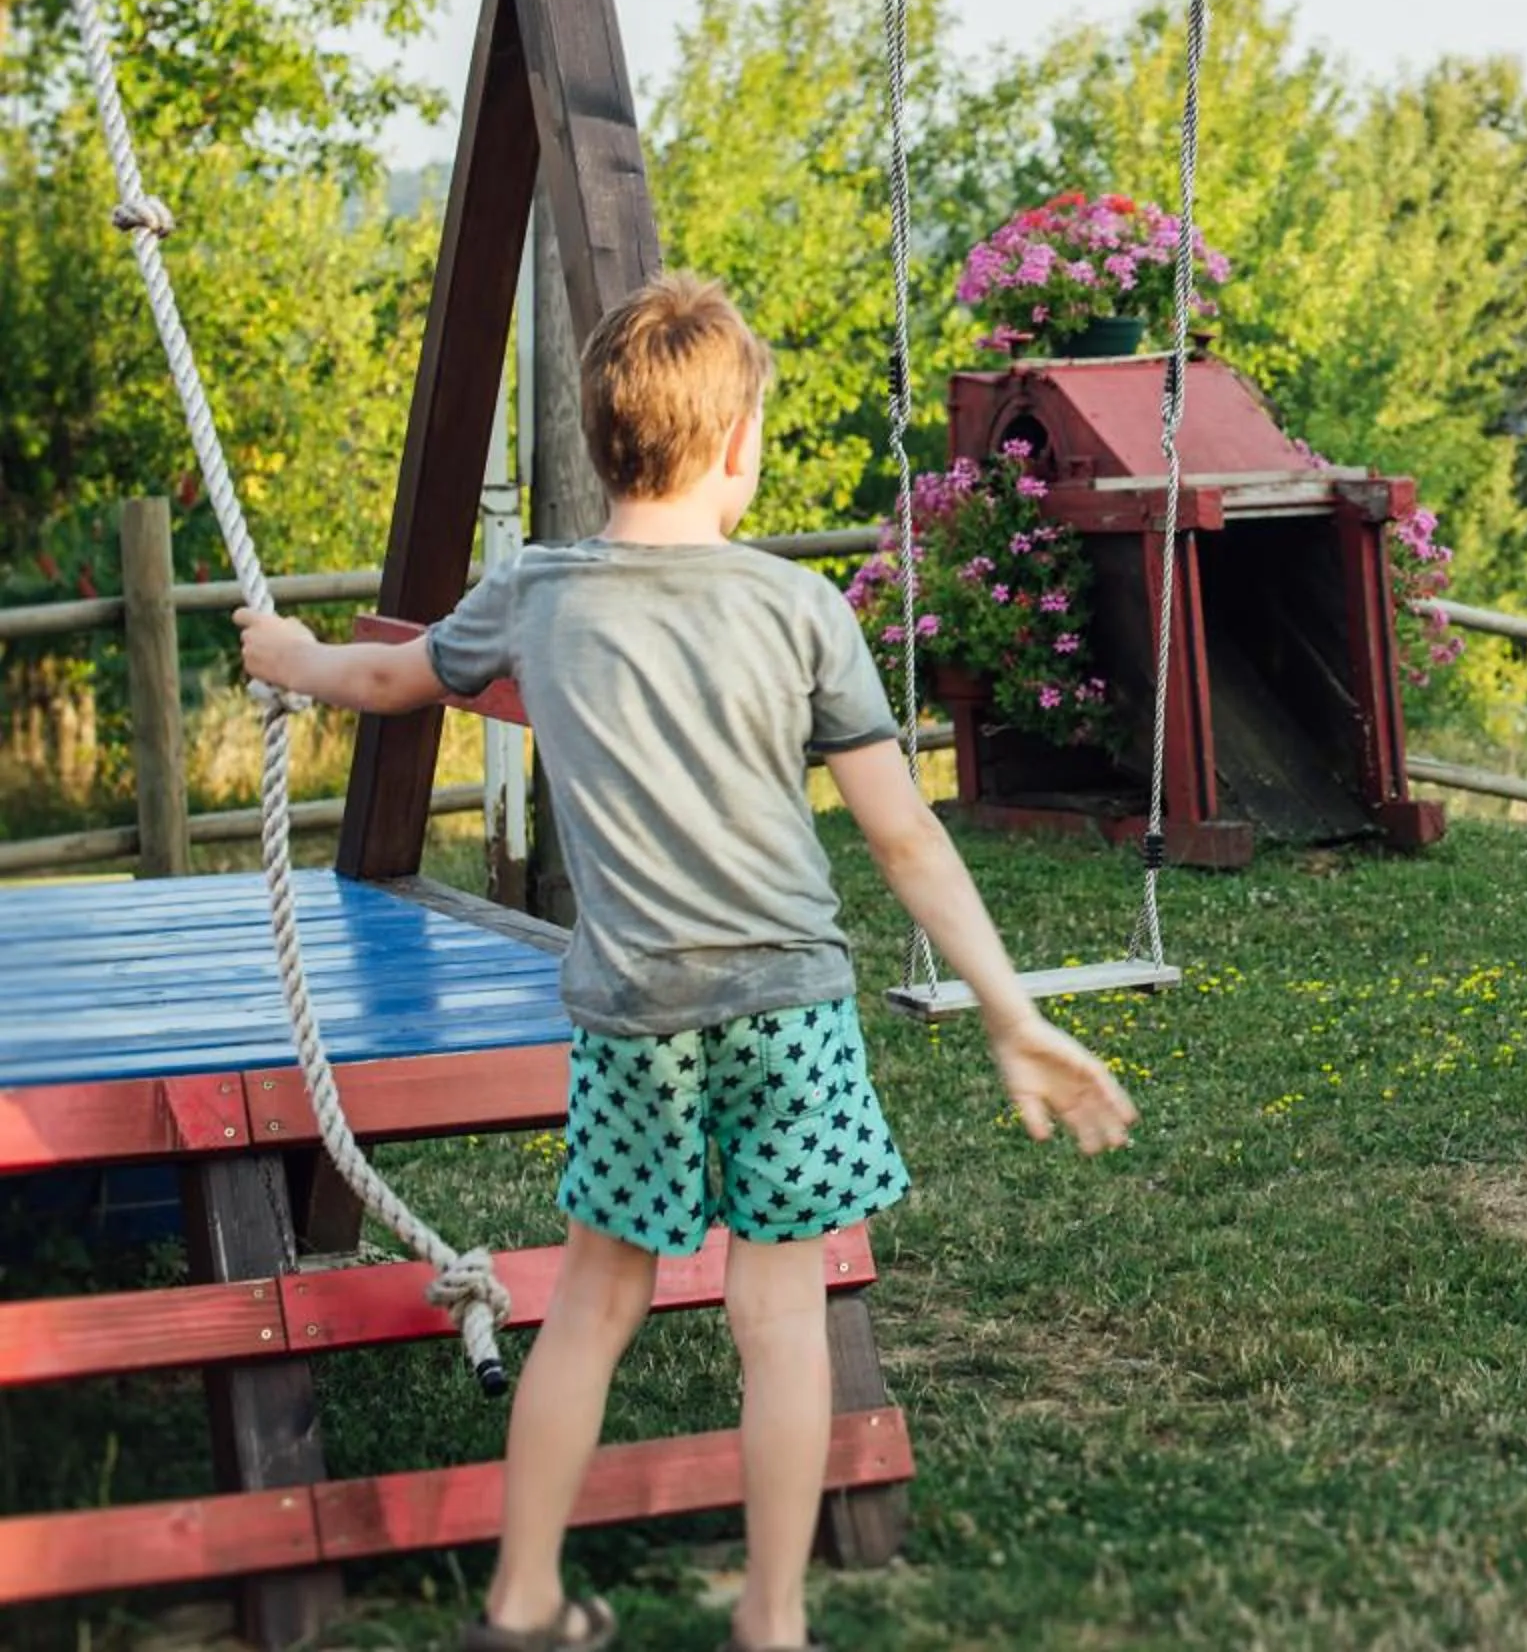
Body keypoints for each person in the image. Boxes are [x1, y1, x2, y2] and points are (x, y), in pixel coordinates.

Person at [238, 272, 1139, 1652]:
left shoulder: (535, 592)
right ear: (738, 445)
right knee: (777, 1318)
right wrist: (1008, 1011)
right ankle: (771, 1624)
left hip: (634, 1015)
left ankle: (524, 1603)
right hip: (790, 1007)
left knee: (595, 1304)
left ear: (601, 442)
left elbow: (388, 679)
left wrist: (290, 651)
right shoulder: (797, 610)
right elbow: (901, 837)